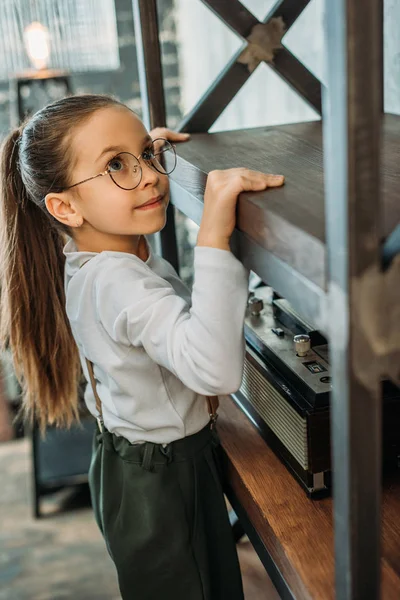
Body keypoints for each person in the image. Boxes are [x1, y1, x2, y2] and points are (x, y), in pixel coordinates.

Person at [0, 94, 284, 599]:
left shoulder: (91, 252)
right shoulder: (120, 284)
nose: (150, 175)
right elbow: (215, 372)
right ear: (65, 206)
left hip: (124, 465)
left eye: (148, 159)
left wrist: (135, 154)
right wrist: (215, 231)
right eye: (115, 165)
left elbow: (121, 189)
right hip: (165, 482)